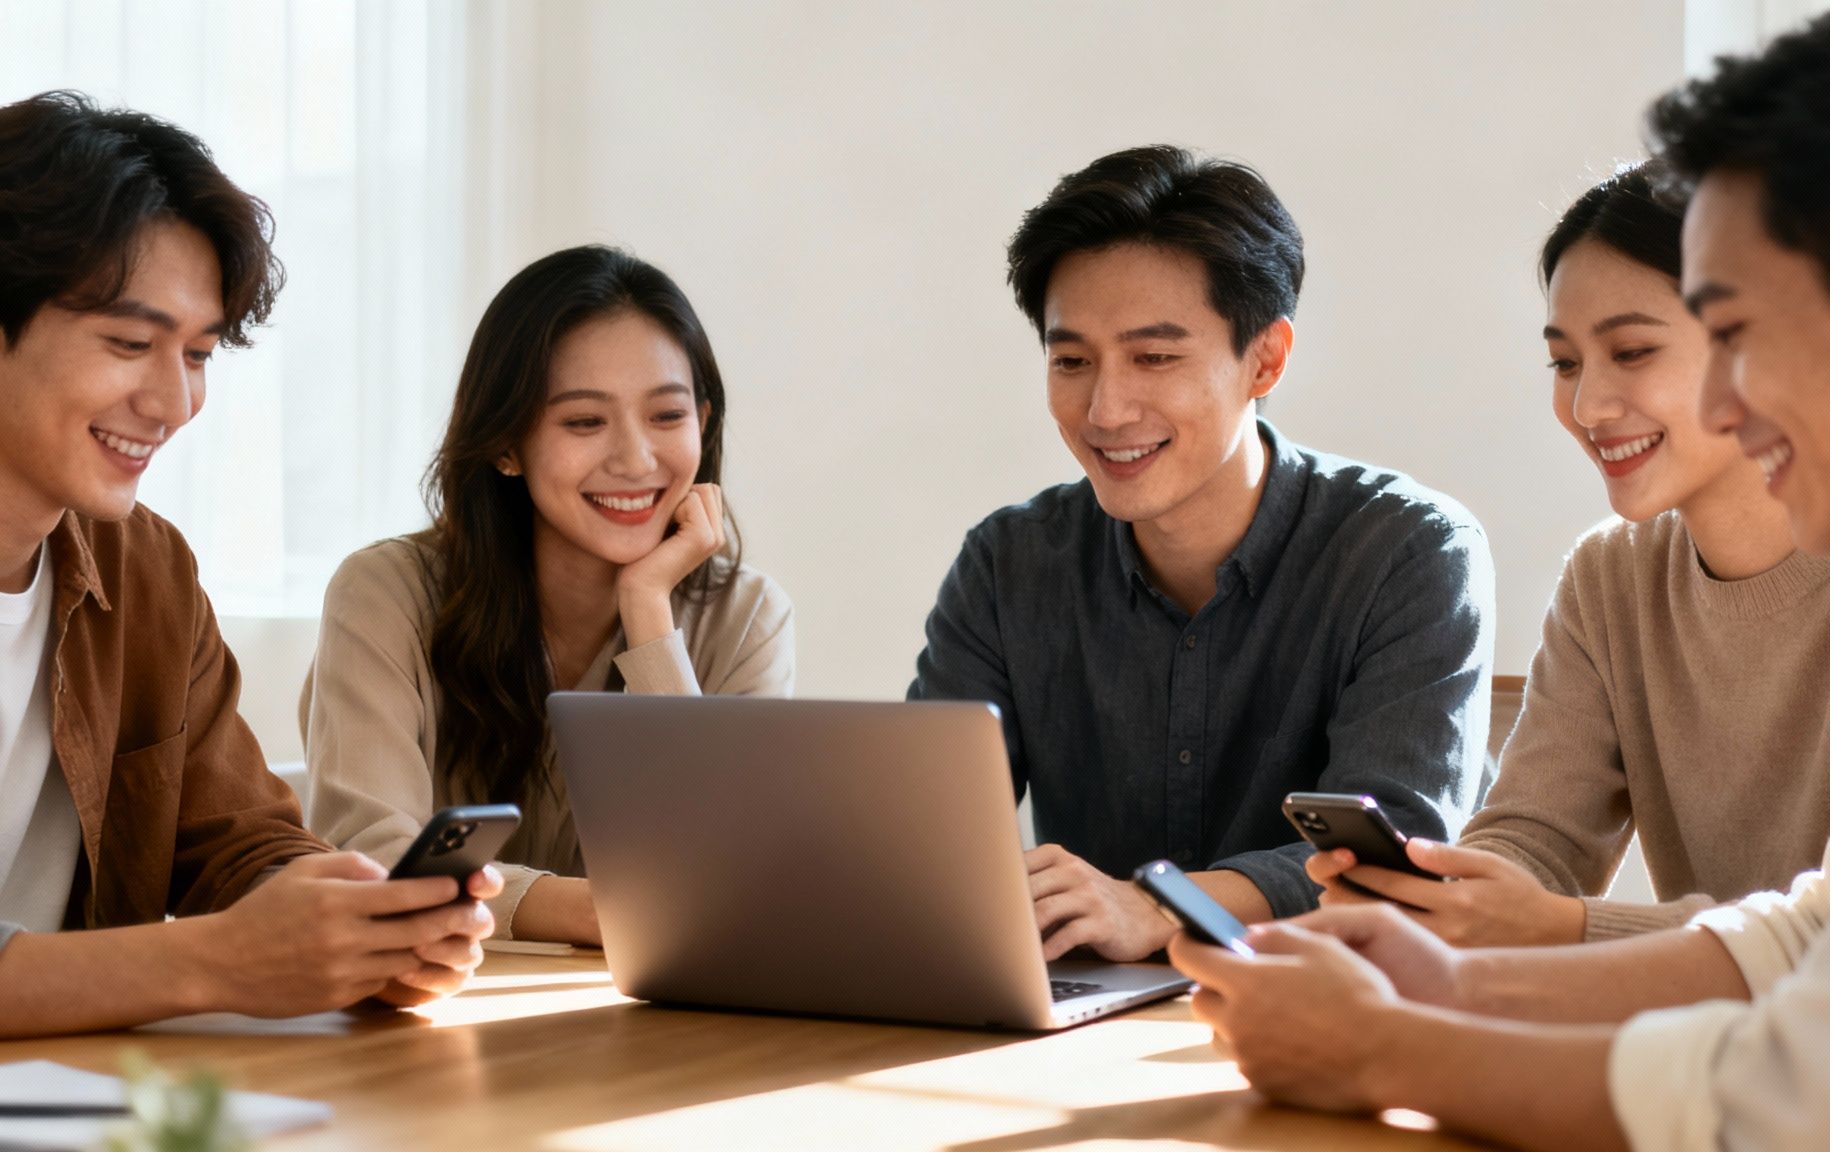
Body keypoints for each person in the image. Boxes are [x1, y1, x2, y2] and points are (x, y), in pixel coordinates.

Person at [1169, 6, 1830, 1148]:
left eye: (1735, 333)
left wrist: (1382, 1046)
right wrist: (1445, 985)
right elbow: (1822, 931)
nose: (1724, 406)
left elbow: (1828, 1096)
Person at [1309, 164, 1830, 946]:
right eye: (1565, 363)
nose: (1587, 406)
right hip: (1709, 1041)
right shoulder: (1612, 576)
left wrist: (1566, 928)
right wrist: (1444, 900)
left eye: (1632, 352)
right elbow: (1537, 839)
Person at [909, 145, 1494, 963]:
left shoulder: (1407, 551)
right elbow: (923, 835)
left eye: (1155, 358)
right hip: (1082, 1023)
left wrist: (1157, 905)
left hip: (1335, 1009)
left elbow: (1395, 857)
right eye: (1072, 360)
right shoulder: (1011, 562)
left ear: (1266, 359)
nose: (1105, 409)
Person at [0, 91, 497, 1038]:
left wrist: (348, 921)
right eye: (130, 344)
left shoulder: (147, 573)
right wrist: (218, 961)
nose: (174, 400)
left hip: (83, 1104)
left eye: (198, 353)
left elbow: (238, 840)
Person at [304, 245, 795, 947]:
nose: (635, 459)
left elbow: (723, 879)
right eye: (584, 422)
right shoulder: (385, 594)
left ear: (705, 421)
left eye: (666, 416)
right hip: (436, 1016)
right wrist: (593, 911)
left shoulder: (746, 619)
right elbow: (376, 861)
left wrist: (648, 609)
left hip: (659, 1027)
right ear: (505, 443)